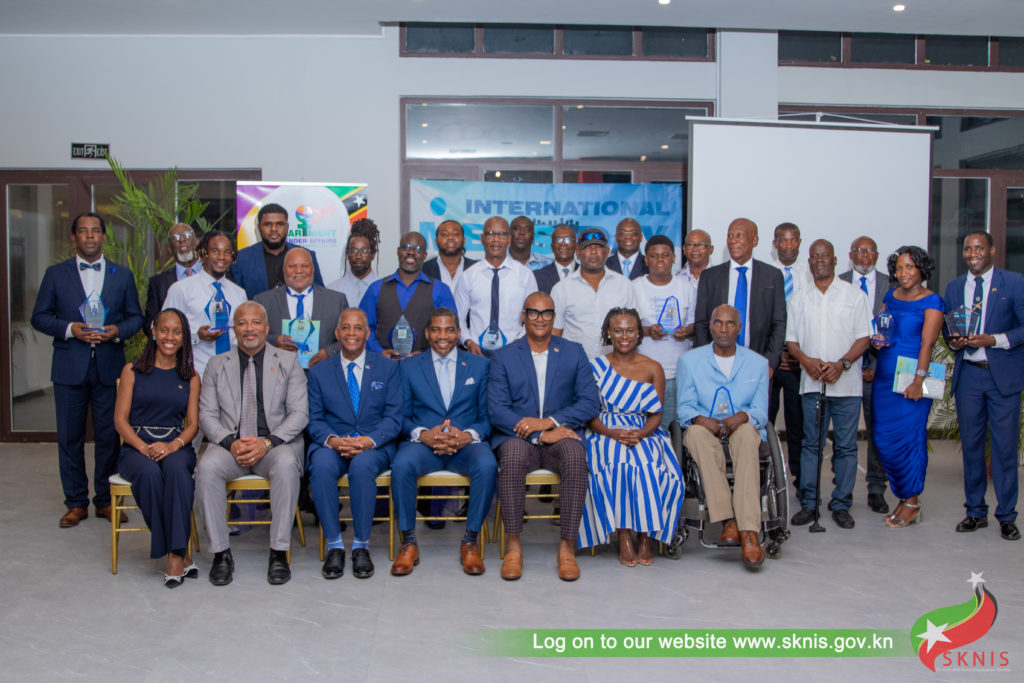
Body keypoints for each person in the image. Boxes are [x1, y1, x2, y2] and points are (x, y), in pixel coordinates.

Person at [30, 212, 144, 528]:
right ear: (74, 237)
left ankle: (105, 500)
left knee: (108, 436)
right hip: (69, 368)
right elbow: (39, 317)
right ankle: (76, 503)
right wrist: (70, 329)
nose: (90, 236)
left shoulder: (122, 275)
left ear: (103, 237)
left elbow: (136, 317)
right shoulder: (56, 274)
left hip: (109, 367)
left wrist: (116, 331)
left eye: (95, 230)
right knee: (70, 438)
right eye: (83, 231)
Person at [488, 292, 600, 581]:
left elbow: (590, 402)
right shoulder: (503, 356)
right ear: (523, 316)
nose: (540, 318)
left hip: (559, 434)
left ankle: (567, 548)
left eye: (546, 312)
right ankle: (514, 546)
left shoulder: (574, 352)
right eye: (533, 312)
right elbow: (497, 409)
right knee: (512, 456)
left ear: (554, 317)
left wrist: (549, 423)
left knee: (575, 455)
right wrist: (539, 435)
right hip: (518, 437)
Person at [195, 302, 309, 586]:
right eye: (242, 323)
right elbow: (206, 415)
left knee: (286, 464)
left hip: (273, 445)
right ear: (234, 329)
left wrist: (267, 443)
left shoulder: (288, 361)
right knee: (207, 468)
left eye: (256, 322)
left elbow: (299, 414)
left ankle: (279, 552)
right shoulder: (216, 365)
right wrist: (230, 443)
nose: (249, 329)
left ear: (266, 328)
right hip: (230, 446)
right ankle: (221, 553)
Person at [391, 308, 496, 576]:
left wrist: (467, 436)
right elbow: (400, 417)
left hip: (466, 446)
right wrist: (422, 434)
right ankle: (409, 542)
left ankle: (470, 541)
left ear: (459, 333)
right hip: (424, 446)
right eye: (436, 330)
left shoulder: (480, 366)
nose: (443, 336)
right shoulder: (409, 366)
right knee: (402, 465)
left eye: (449, 330)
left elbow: (488, 418)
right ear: (427, 334)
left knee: (487, 465)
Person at [578, 308, 683, 567]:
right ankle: (624, 535)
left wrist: (642, 433)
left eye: (630, 330)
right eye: (618, 330)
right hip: (604, 430)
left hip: (644, 429)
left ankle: (645, 536)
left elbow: (656, 414)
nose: (624, 336)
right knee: (618, 464)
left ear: (638, 333)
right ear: (608, 333)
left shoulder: (653, 367)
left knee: (650, 465)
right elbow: (589, 414)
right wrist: (611, 433)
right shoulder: (594, 367)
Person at [307, 308, 402, 579]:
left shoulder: (388, 368)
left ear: (367, 333)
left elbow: (394, 417)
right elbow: (314, 419)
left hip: (374, 445)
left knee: (361, 468)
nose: (352, 333)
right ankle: (335, 546)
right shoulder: (319, 372)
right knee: (321, 467)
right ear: (337, 333)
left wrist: (369, 441)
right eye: (346, 328)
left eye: (358, 327)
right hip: (333, 443)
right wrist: (334, 441)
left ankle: (361, 546)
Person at [786, 240, 872, 530]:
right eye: (814, 256)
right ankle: (809, 503)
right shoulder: (799, 298)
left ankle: (841, 504)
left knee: (846, 446)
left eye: (824, 256)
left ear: (835, 260)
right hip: (812, 385)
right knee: (811, 445)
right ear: (808, 262)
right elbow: (791, 341)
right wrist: (806, 361)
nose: (819, 260)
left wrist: (842, 365)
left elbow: (864, 337)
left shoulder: (854, 296)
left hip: (846, 386)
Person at [944, 231, 1024, 541]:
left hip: (1001, 377)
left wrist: (994, 340)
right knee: (972, 448)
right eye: (968, 249)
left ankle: (1007, 515)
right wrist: (954, 342)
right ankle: (975, 512)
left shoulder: (1013, 282)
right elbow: (950, 332)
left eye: (979, 248)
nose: (973, 253)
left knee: (1004, 449)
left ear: (991, 250)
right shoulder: (954, 288)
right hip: (969, 376)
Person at [677, 304, 770, 570]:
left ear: (739, 328)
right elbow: (684, 408)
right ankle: (728, 519)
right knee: (695, 434)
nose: (724, 329)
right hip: (706, 428)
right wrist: (700, 419)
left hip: (741, 427)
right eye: (718, 322)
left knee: (749, 434)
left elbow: (761, 412)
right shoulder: (690, 361)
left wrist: (743, 416)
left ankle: (748, 530)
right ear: (710, 326)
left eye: (730, 324)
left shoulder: (758, 363)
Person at [114, 309, 201, 587]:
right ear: (153, 332)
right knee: (149, 474)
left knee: (177, 472)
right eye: (164, 330)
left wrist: (173, 445)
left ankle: (174, 556)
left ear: (183, 337)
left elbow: (193, 425)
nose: (169, 337)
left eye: (176, 332)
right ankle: (179, 553)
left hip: (176, 444)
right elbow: (120, 420)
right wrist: (143, 447)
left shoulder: (191, 376)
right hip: (136, 446)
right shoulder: (132, 371)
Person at [870, 246, 944, 528]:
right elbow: (881, 327)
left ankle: (911, 504)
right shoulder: (890, 296)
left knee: (909, 442)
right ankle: (903, 498)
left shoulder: (932, 301)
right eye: (899, 268)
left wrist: (918, 381)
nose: (903, 273)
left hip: (912, 381)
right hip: (884, 379)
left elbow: (927, 344)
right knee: (884, 440)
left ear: (921, 269)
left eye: (910, 267)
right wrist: (877, 339)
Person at [839, 236, 892, 514]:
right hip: (845, 369)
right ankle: (841, 488)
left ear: (877, 255)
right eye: (860, 250)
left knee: (877, 433)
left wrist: (875, 366)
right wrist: (853, 364)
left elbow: (894, 329)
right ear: (851, 255)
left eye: (870, 250)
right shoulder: (838, 282)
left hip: (879, 371)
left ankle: (876, 488)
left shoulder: (890, 285)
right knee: (844, 435)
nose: (865, 255)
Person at [693, 217, 787, 371]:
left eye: (739, 235)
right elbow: (701, 323)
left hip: (759, 362)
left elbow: (779, 324)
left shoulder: (772, 276)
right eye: (730, 236)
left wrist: (770, 363)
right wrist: (707, 359)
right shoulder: (710, 277)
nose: (733, 240)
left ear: (754, 241)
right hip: (716, 363)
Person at [360, 231, 456, 359]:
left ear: (424, 255)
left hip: (426, 365)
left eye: (418, 249)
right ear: (398, 251)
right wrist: (379, 352)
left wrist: (429, 355)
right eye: (406, 247)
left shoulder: (441, 290)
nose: (411, 252)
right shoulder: (376, 289)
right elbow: (363, 327)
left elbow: (450, 330)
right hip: (383, 365)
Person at [163, 230, 247, 376]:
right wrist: (197, 336)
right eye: (215, 251)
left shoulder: (239, 293)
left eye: (227, 252)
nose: (221, 257)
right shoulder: (181, 289)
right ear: (203, 254)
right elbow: (163, 331)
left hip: (232, 374)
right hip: (196, 373)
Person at [632, 236, 695, 427]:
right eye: (654, 255)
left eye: (665, 255)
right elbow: (626, 327)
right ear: (646, 259)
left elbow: (695, 323)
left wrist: (686, 331)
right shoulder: (634, 287)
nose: (660, 259)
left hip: (678, 372)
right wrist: (647, 331)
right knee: (645, 427)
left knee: (674, 428)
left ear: (674, 258)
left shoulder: (686, 288)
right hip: (643, 372)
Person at [254, 247, 348, 370]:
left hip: (323, 373)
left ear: (313, 269)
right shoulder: (263, 301)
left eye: (305, 266)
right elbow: (252, 336)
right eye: (292, 266)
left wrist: (329, 352)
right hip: (278, 374)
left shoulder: (336, 300)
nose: (298, 271)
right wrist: (274, 341)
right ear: (283, 269)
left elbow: (350, 337)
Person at [453, 216, 535, 356]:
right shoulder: (468, 276)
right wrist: (468, 341)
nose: (496, 239)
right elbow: (457, 318)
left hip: (514, 352)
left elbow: (532, 316)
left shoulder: (525, 275)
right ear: (482, 238)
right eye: (490, 234)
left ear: (509, 239)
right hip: (476, 353)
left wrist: (519, 341)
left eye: (502, 234)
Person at [552, 227, 637, 360]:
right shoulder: (561, 288)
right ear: (578, 253)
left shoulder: (624, 285)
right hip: (574, 364)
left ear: (607, 252)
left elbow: (634, 329)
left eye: (598, 247)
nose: (593, 252)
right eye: (587, 247)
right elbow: (555, 333)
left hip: (615, 364)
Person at [768, 222, 808, 484]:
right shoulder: (766, 273)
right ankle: (767, 476)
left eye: (794, 240)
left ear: (800, 243)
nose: (789, 245)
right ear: (774, 244)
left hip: (798, 361)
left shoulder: (809, 275)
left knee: (797, 424)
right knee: (765, 421)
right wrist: (776, 353)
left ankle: (800, 479)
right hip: (770, 360)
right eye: (783, 240)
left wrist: (795, 353)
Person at [231, 202, 324, 299]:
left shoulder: (307, 255)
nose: (274, 229)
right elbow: (235, 298)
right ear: (258, 227)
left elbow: (320, 295)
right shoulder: (242, 259)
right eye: (267, 224)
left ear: (287, 226)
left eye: (279, 224)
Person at [143, 222, 201, 337]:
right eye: (176, 238)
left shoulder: (215, 274)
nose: (182, 240)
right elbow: (149, 325)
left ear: (197, 241)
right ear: (169, 248)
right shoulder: (158, 283)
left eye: (187, 235)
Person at [327, 218, 382, 307]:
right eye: (353, 251)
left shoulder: (384, 290)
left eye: (364, 251)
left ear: (373, 254)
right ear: (347, 254)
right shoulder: (332, 290)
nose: (358, 256)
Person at [422, 219, 478, 291]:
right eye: (444, 234)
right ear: (436, 241)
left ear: (464, 240)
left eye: (456, 234)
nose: (450, 238)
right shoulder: (423, 270)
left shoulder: (476, 269)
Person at [533, 224, 577, 294]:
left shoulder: (587, 274)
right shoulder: (537, 277)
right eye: (558, 239)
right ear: (552, 246)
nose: (563, 243)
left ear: (576, 245)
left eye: (568, 239)